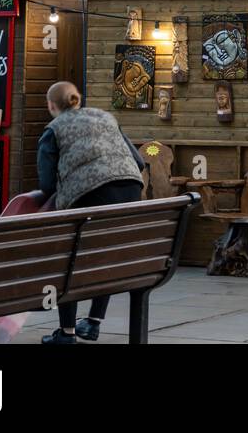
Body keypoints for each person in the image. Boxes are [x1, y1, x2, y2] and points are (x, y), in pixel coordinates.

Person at [37, 81, 146, 344]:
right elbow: (139, 161)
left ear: (52, 105)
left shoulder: (53, 130)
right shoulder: (106, 118)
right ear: (78, 99)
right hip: (130, 193)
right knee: (105, 255)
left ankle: (67, 333)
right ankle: (93, 323)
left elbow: (46, 184)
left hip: (90, 197)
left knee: (69, 259)